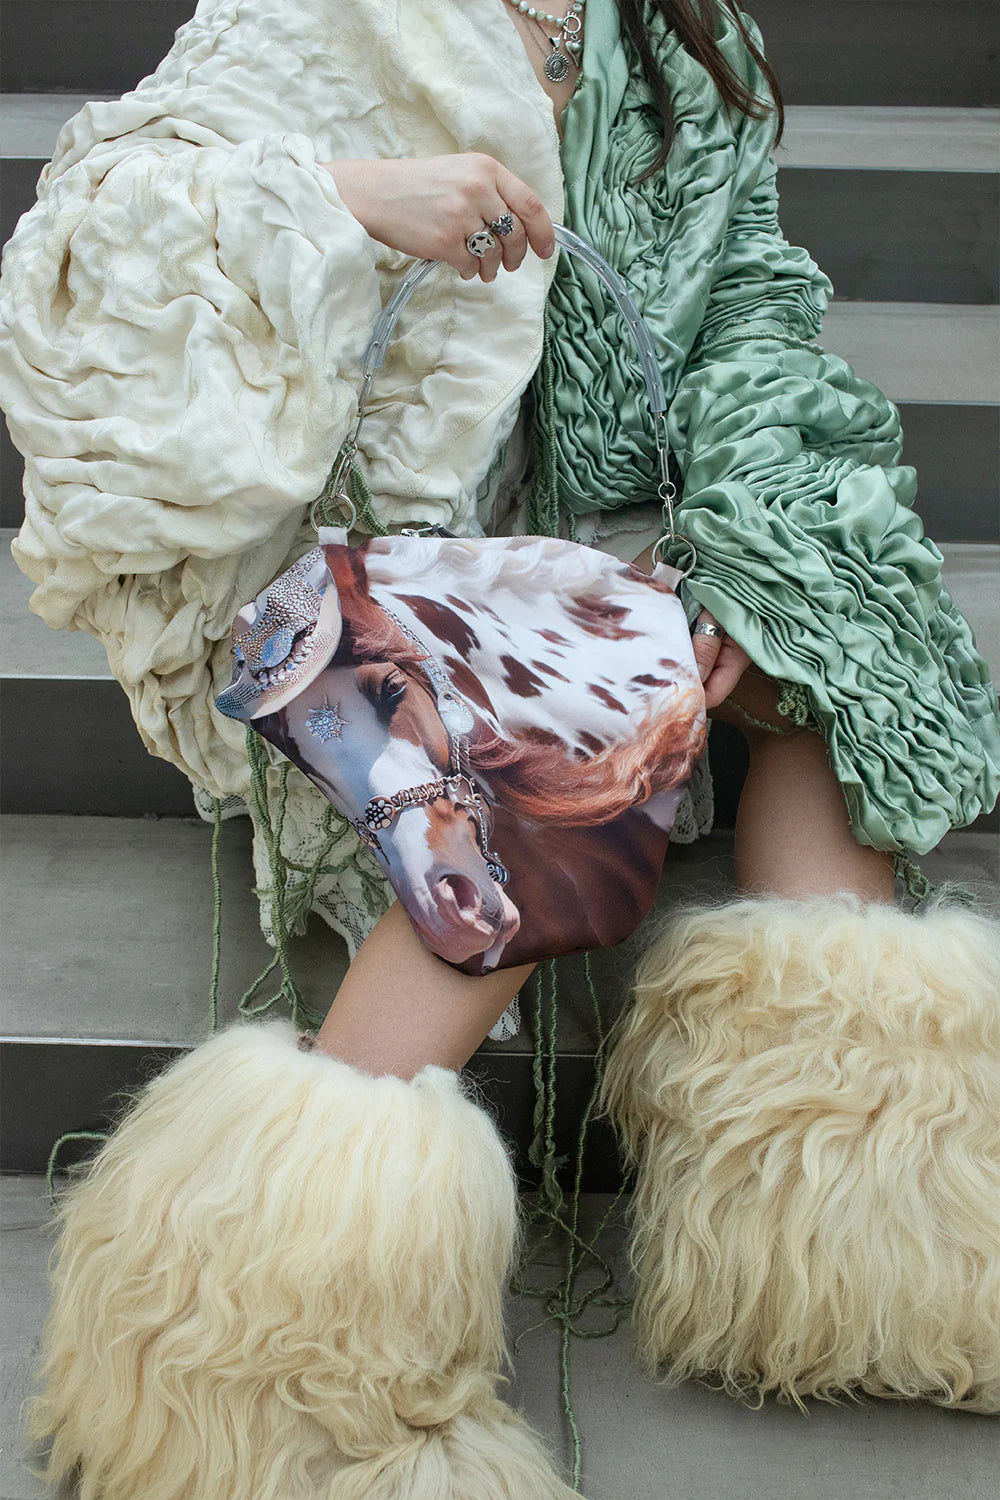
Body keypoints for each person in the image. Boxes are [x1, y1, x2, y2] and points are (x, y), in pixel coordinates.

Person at [1, 2, 998, 1495]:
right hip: (373, 561)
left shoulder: (682, 36)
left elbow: (749, 311)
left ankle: (849, 1245)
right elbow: (97, 239)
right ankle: (267, 1359)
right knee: (578, 723)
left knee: (826, 605)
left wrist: (733, 552)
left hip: (623, 522)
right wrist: (345, 199)